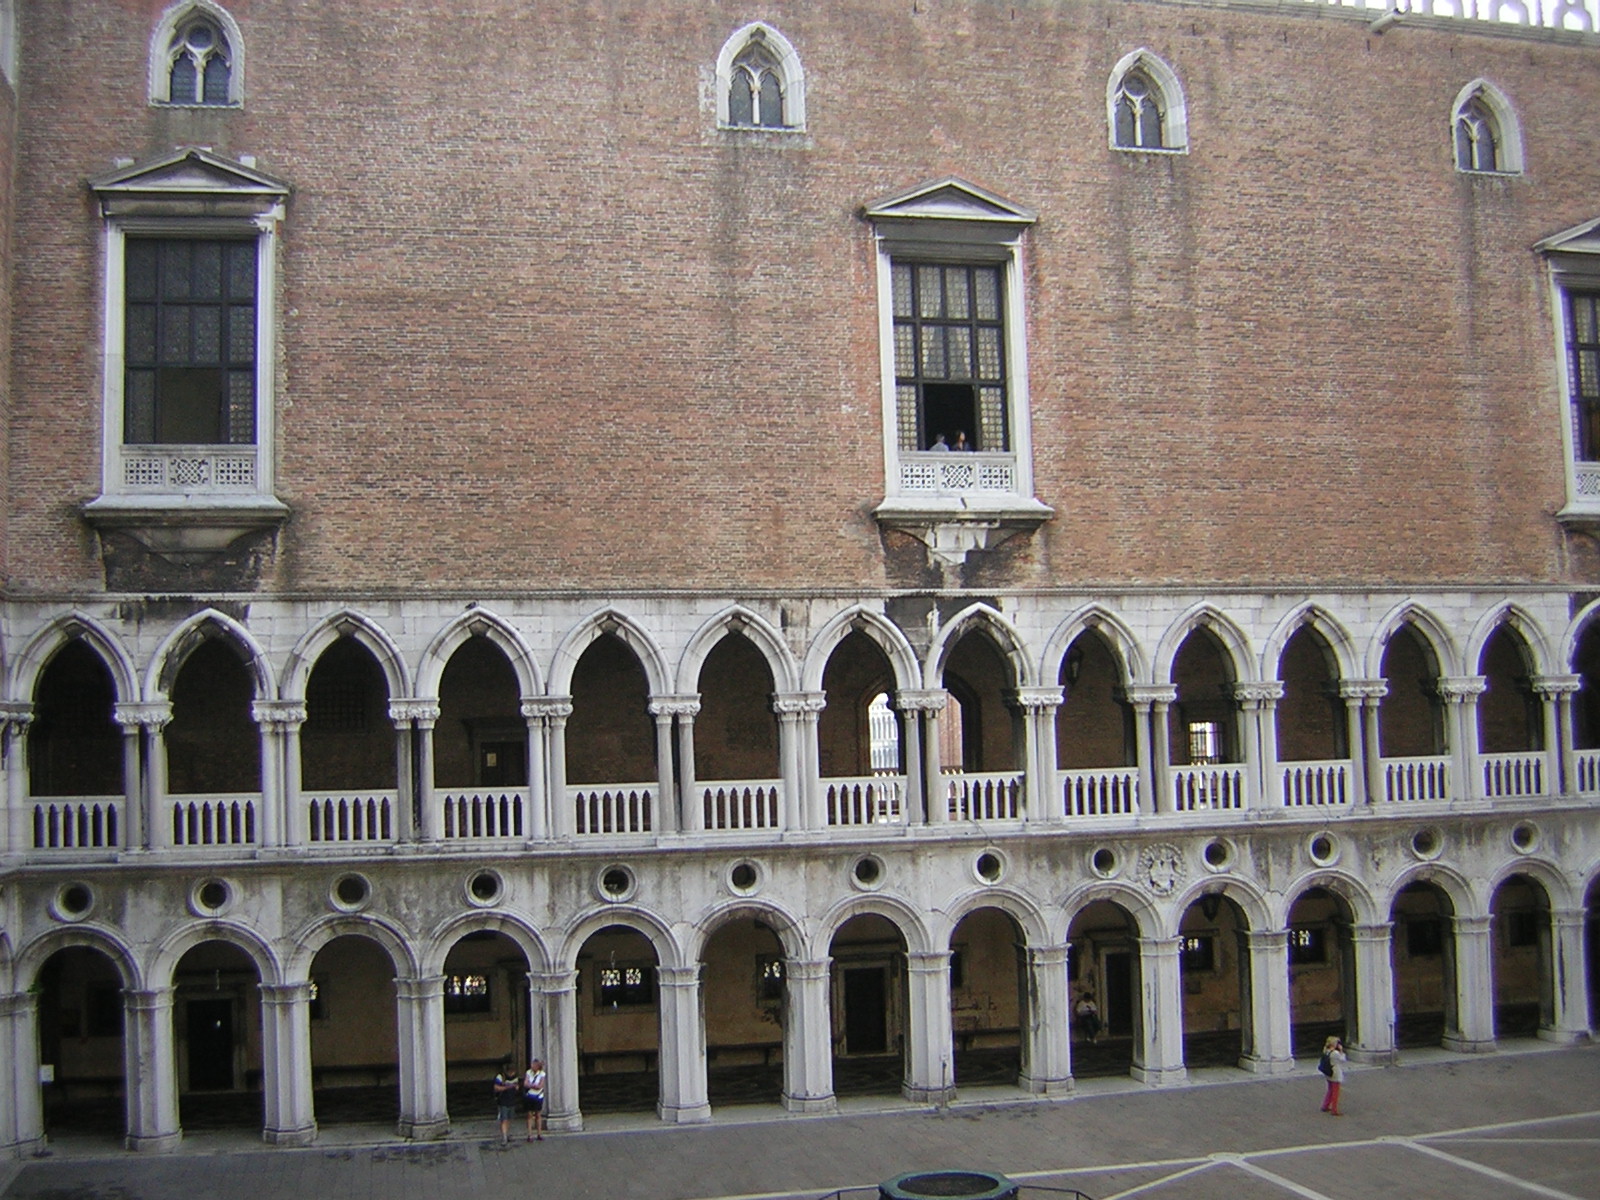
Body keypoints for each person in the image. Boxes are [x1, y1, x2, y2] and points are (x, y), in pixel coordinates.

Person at [1319, 1035, 1347, 1116]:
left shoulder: (1326, 1051)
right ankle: (1334, 1109)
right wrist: (1341, 1051)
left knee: (1330, 1090)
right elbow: (1343, 1060)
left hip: (1328, 1073)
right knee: (1335, 1092)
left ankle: (1325, 1105)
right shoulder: (1335, 1053)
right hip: (1335, 1073)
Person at [493, 1059, 519, 1145]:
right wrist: (507, 1087)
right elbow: (496, 1088)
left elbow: (517, 1086)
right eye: (511, 1072)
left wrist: (516, 1087)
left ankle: (507, 1134)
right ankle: (504, 1137)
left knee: (509, 1119)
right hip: (503, 1101)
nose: (512, 1074)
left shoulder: (515, 1077)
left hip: (511, 1100)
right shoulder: (500, 1077)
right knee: (504, 1119)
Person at [522, 1057, 547, 1141]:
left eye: (534, 1065)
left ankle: (539, 1133)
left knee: (538, 1115)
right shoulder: (528, 1072)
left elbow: (540, 1085)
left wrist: (531, 1085)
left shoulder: (542, 1074)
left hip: (538, 1096)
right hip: (530, 1096)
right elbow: (525, 1084)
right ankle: (530, 1134)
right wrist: (533, 1086)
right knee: (529, 1115)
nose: (532, 1066)